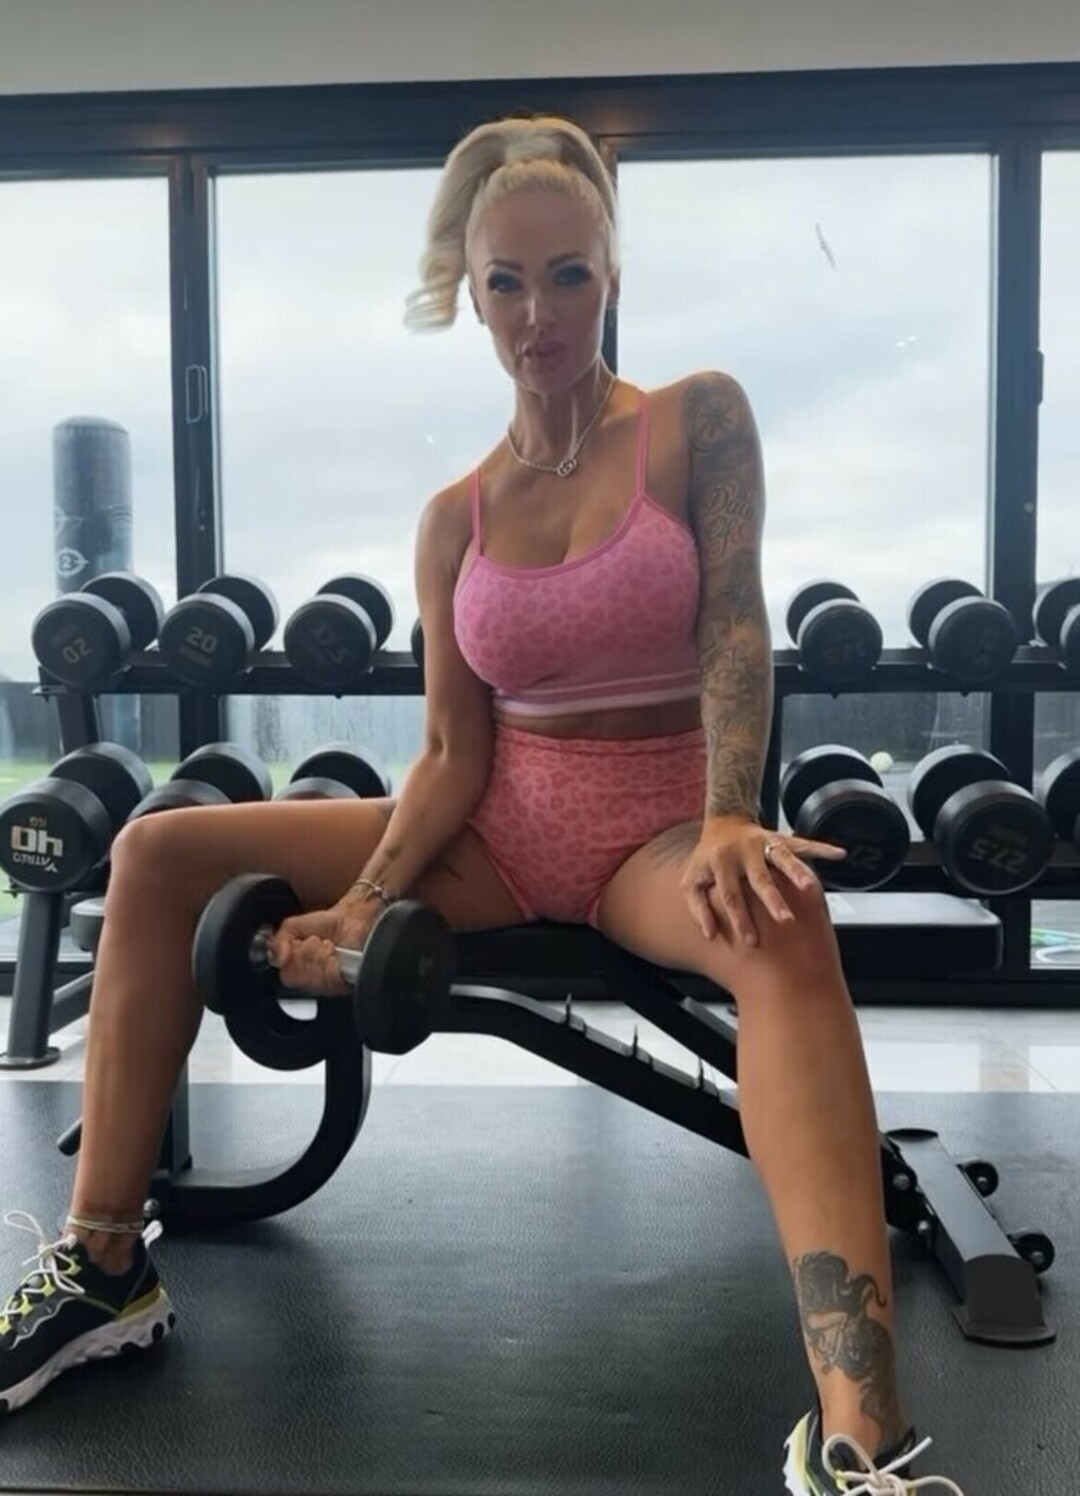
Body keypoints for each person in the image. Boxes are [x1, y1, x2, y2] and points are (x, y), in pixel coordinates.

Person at [0, 114, 964, 1496]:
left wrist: (730, 809)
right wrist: (362, 905)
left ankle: (862, 1439)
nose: (538, 314)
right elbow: (454, 750)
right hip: (500, 830)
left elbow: (736, 626)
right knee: (155, 851)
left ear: (612, 274)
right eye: (506, 283)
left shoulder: (697, 419)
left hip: (658, 832)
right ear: (471, 292)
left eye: (568, 276)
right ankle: (106, 1269)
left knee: (781, 913)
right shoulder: (455, 513)